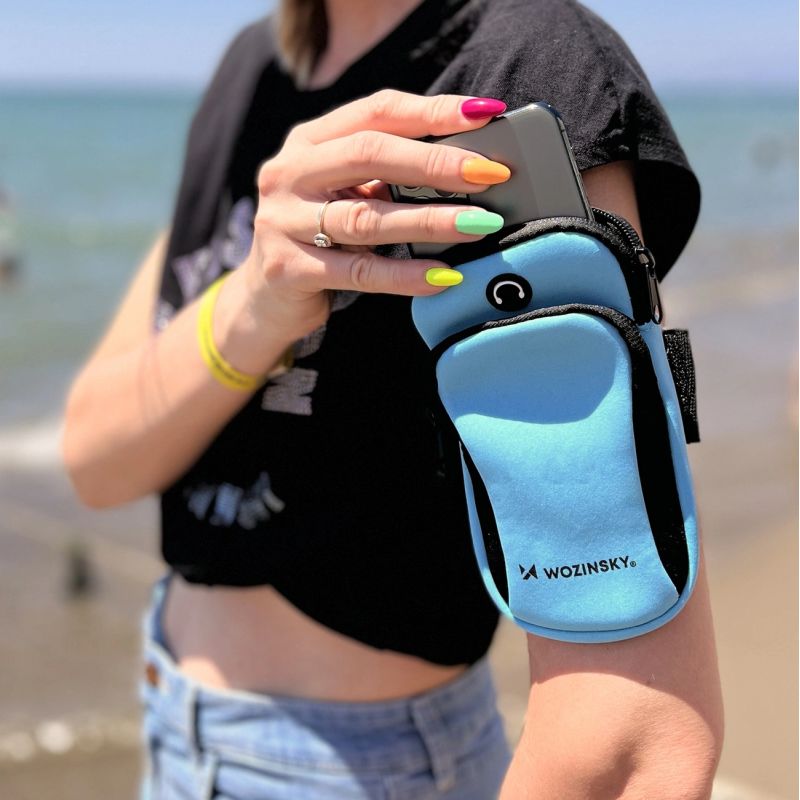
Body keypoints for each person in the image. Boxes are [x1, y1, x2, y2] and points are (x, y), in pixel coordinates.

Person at [62, 0, 724, 797]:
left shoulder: (519, 61)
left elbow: (632, 739)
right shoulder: (252, 72)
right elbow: (96, 461)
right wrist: (256, 303)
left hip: (362, 769)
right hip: (168, 715)